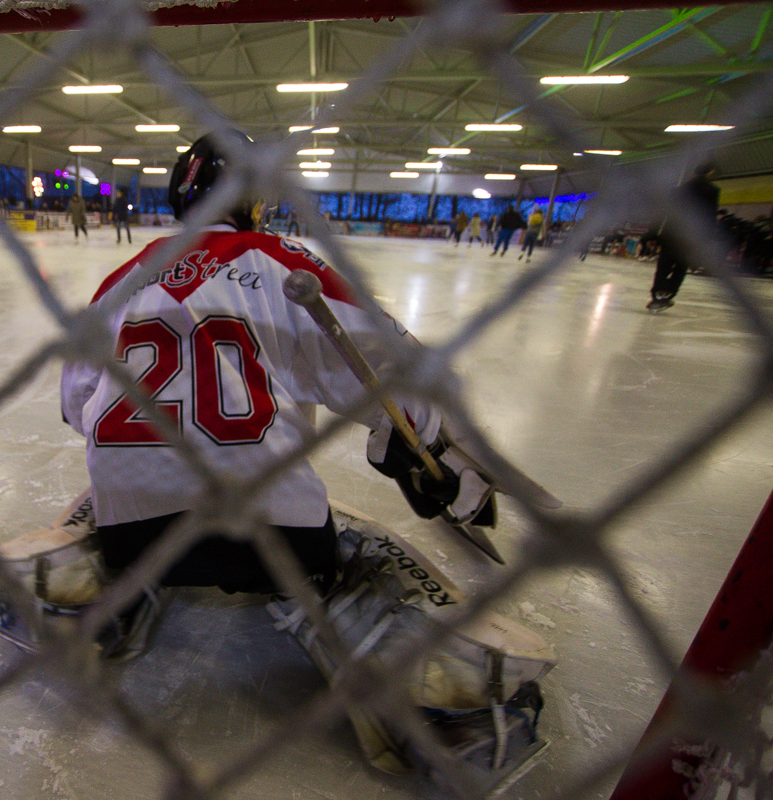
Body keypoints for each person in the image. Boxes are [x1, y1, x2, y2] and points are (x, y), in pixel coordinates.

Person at [46, 132, 548, 783]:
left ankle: (98, 588)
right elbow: (390, 366)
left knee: (128, 498)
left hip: (132, 532)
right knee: (340, 545)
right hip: (272, 531)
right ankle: (396, 655)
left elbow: (73, 403)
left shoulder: (123, 277)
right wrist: (427, 447)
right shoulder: (280, 261)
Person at [647, 163, 720, 311]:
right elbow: (710, 217)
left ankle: (657, 295)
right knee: (681, 267)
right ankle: (669, 295)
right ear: (710, 172)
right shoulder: (712, 191)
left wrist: (653, 233)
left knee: (664, 266)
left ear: (693, 171)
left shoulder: (678, 190)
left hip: (672, 233)